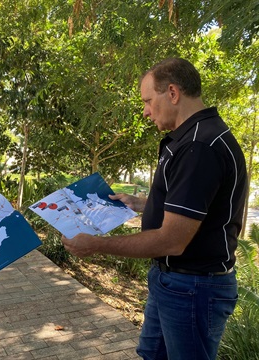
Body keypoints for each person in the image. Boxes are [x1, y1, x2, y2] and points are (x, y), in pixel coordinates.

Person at [61, 57, 247, 359]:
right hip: (174, 282)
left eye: (148, 101)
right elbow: (196, 208)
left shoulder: (199, 147)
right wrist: (144, 204)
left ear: (172, 93)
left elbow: (173, 240)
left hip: (192, 287)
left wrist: (96, 245)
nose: (146, 111)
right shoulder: (193, 137)